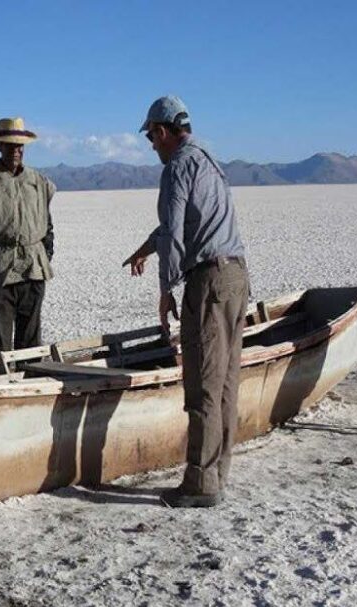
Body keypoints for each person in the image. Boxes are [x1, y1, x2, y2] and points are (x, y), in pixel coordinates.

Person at [122, 96, 249, 509]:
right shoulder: (208, 159)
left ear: (161, 132)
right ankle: (216, 474)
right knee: (226, 383)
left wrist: (165, 290)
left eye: (151, 138)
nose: (152, 147)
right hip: (235, 277)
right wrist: (146, 247)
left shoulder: (178, 166)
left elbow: (175, 231)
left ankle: (200, 483)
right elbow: (178, 226)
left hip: (208, 281)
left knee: (203, 385)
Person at [0, 117, 56, 353]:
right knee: (0, 340)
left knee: (31, 338)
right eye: (10, 145)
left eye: (20, 146)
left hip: (34, 267)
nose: (16, 151)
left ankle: (31, 379)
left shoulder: (39, 181)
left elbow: (47, 223)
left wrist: (45, 253)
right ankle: (3, 383)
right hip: (1, 267)